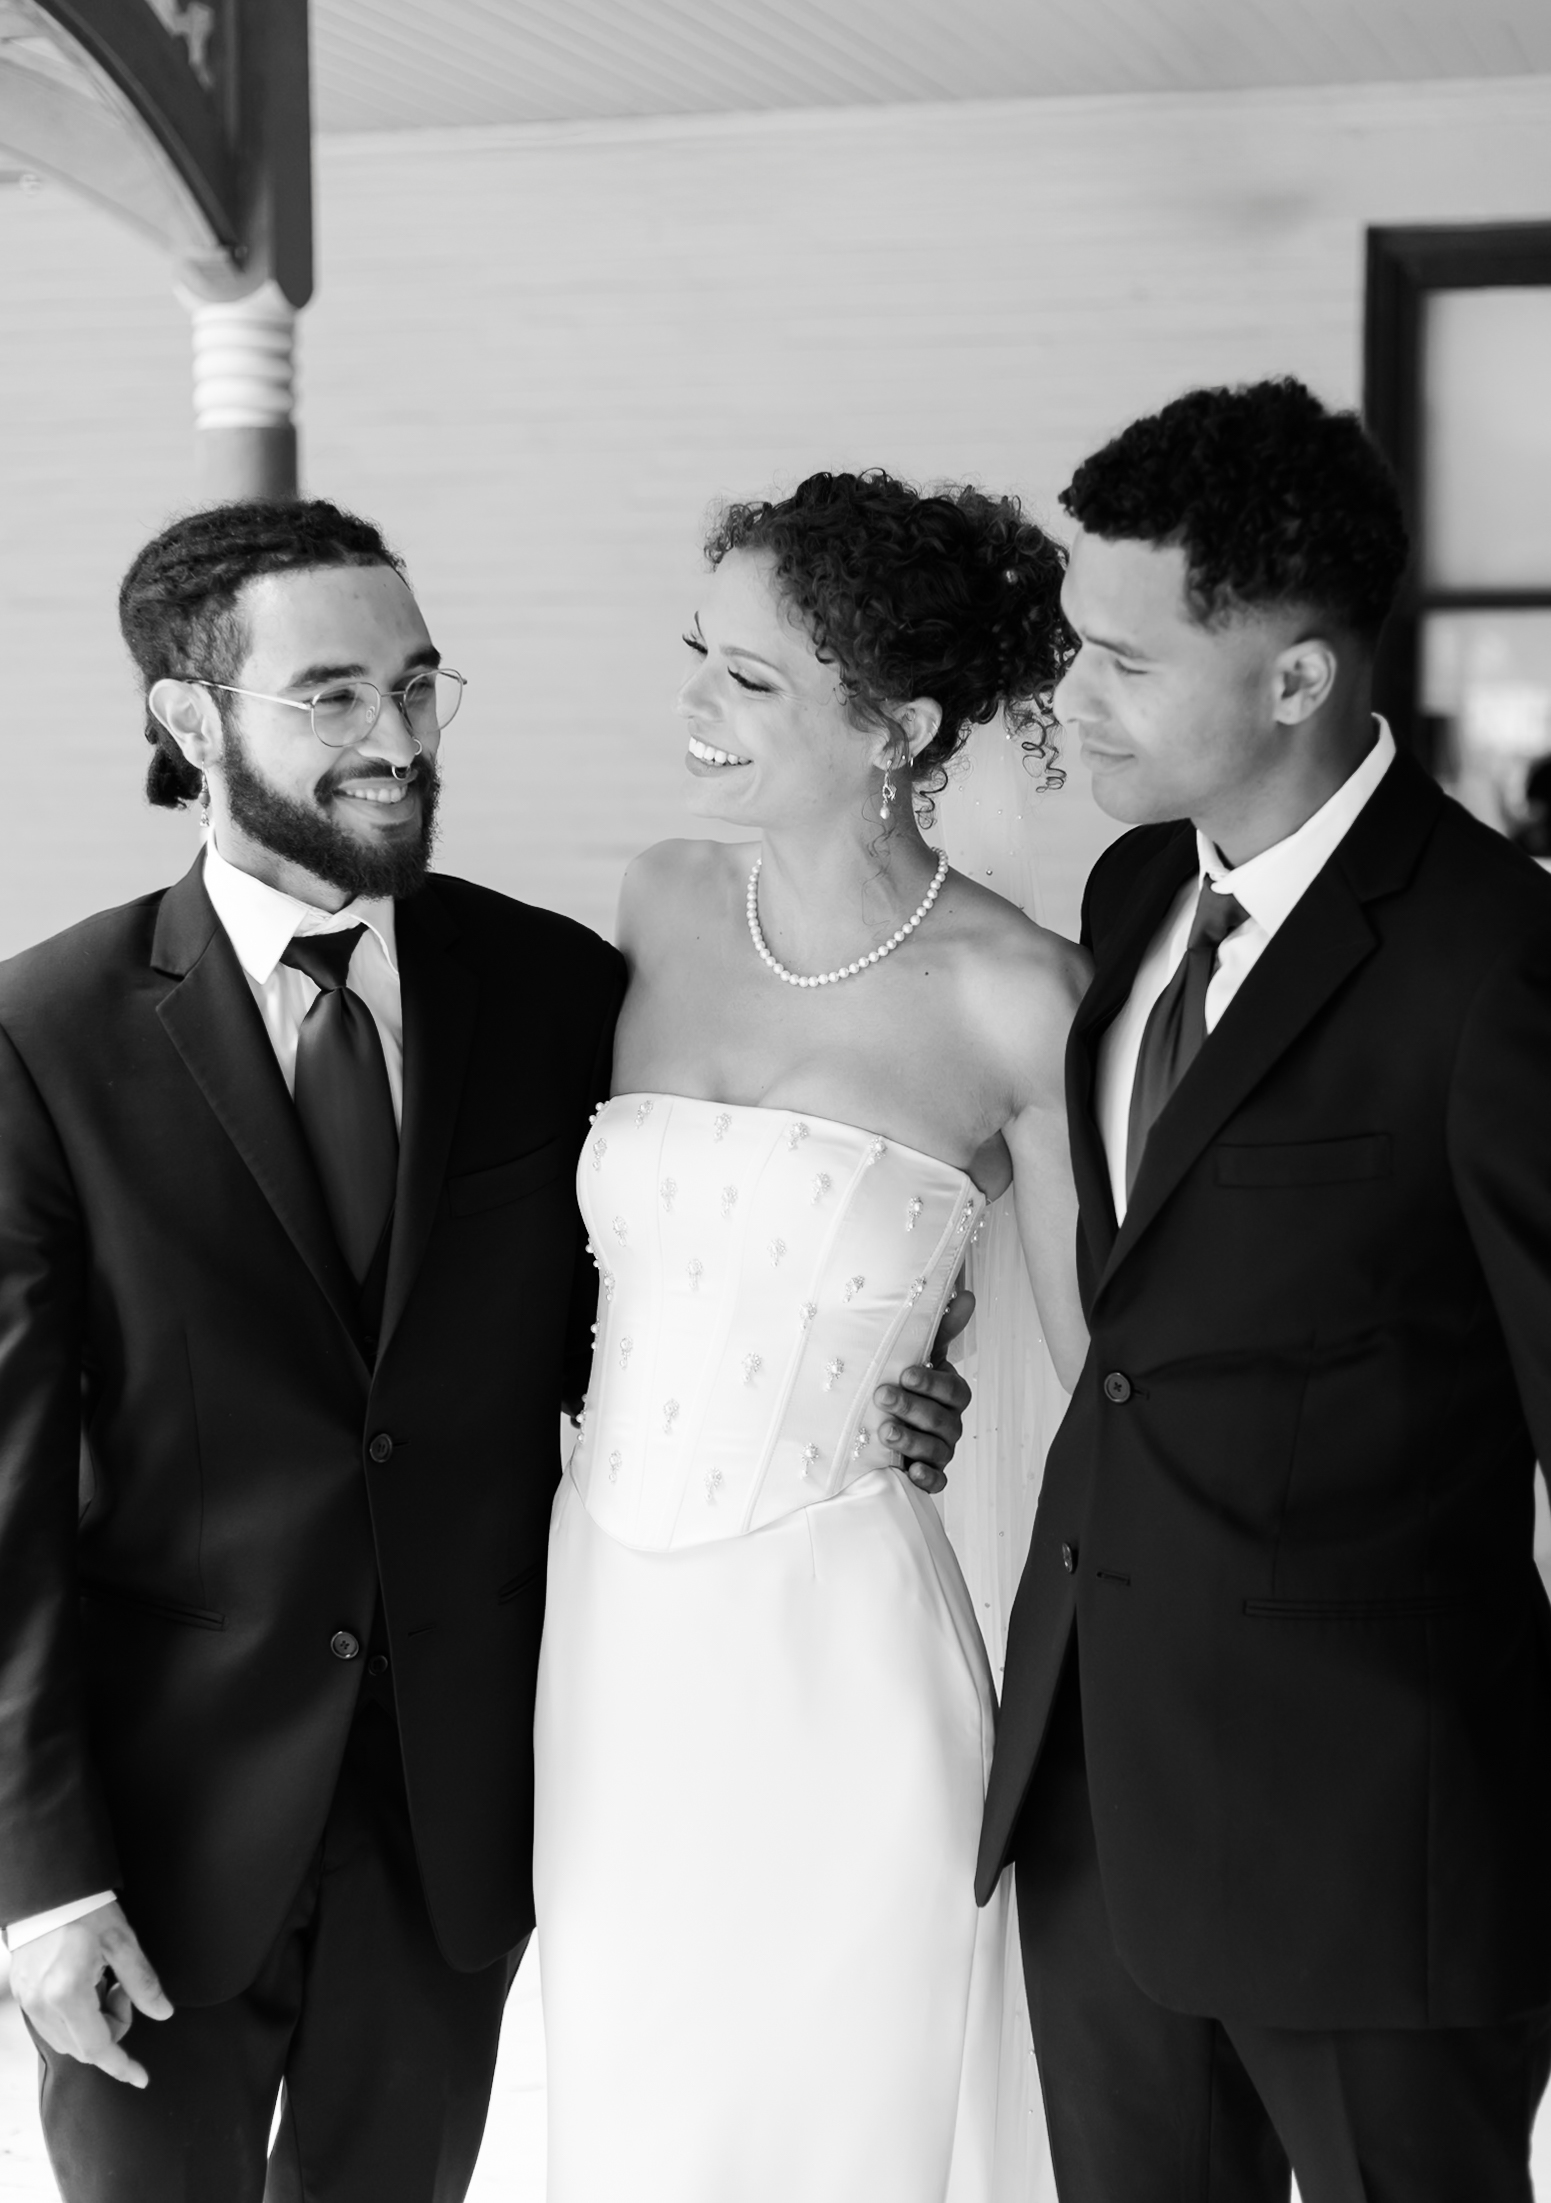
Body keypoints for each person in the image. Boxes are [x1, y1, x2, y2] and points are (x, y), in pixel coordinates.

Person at [0, 495, 971, 2203]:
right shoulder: (41, 1040)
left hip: (462, 1823)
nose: (397, 740)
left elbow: (675, 1280)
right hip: (156, 1842)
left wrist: (896, 1348)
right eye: (334, 699)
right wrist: (40, 1877)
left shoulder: (550, 991)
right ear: (185, 721)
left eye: (419, 686)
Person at [978, 379, 1551, 2202]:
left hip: (1375, 1855)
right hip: (1094, 1797)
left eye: (1124, 664)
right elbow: (1148, 1302)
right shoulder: (1143, 876)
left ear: (1298, 682)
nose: (1069, 703)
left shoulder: (1506, 969)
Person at [532, 469, 1089, 2202]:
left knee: (836, 2114)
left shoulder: (1023, 993)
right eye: (700, 655)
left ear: (897, 727)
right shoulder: (660, 901)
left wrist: (947, 1338)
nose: (696, 707)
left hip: (845, 1659)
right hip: (611, 1639)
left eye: (751, 679)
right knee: (629, 2104)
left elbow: (1107, 1360)